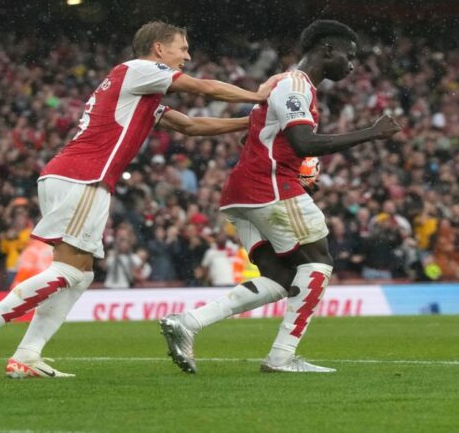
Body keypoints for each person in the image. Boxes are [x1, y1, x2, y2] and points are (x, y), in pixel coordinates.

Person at [0, 20, 279, 379]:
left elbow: (190, 125)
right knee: (69, 269)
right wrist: (258, 96)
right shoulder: (139, 70)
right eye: (182, 48)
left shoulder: (141, 92)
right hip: (84, 176)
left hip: (75, 175)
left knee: (81, 274)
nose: (187, 55)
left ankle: (27, 355)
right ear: (158, 50)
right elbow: (202, 88)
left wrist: (249, 123)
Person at [160, 20, 402, 374]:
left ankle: (188, 322)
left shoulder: (283, 84)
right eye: (349, 57)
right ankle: (282, 357)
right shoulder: (294, 85)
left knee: (283, 280)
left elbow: (255, 141)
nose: (352, 65)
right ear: (327, 50)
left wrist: (295, 173)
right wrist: (371, 133)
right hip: (267, 186)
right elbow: (303, 142)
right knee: (319, 261)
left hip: (244, 191)